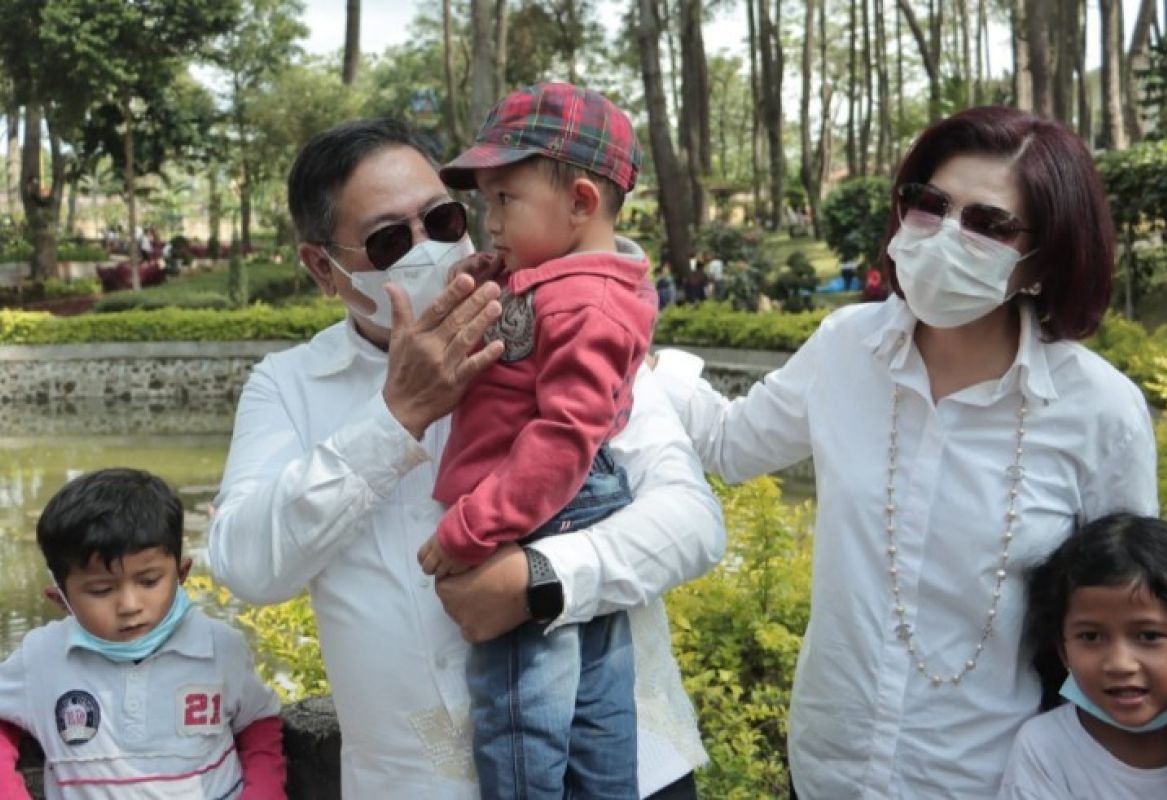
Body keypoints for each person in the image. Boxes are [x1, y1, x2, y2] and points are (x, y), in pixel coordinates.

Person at [207, 117, 724, 799]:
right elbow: (247, 564)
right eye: (389, 240)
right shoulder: (290, 387)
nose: (429, 250)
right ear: (321, 268)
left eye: (445, 220)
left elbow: (693, 522)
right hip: (415, 782)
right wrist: (397, 418)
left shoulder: (564, 317)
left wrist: (541, 581)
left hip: (618, 769)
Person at [652, 105, 1159, 797]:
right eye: (931, 204)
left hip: (991, 777)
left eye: (989, 223)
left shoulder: (1101, 412)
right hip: (828, 766)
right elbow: (730, 444)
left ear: (1043, 262)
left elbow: (1131, 618)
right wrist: (630, 353)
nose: (947, 235)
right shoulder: (844, 348)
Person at [421, 81, 655, 797]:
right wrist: (500, 277)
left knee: (520, 714)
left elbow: (562, 437)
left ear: (582, 202)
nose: (487, 221)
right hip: (566, 509)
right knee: (594, 711)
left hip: (537, 516)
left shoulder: (587, 302)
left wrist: (470, 531)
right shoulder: (570, 281)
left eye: (504, 201)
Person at [0, 468, 285, 799]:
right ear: (60, 599)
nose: (130, 605)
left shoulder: (219, 648)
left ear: (181, 574)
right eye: (101, 590)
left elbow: (259, 721)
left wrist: (264, 793)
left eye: (149, 582)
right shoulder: (42, 658)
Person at [999, 514, 1167, 798]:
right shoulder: (1047, 748)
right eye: (1091, 637)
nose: (1119, 663)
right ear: (1063, 649)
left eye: (1149, 636)